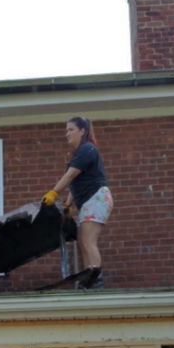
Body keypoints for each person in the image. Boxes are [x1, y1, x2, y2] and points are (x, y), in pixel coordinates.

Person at [42, 116, 112, 290]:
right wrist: (67, 205)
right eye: (66, 130)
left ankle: (96, 281)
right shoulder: (81, 153)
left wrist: (54, 193)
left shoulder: (87, 149)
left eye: (70, 129)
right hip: (90, 201)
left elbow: (70, 176)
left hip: (97, 198)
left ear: (82, 131)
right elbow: (75, 185)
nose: (67, 134)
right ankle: (89, 277)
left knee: (88, 241)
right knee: (82, 241)